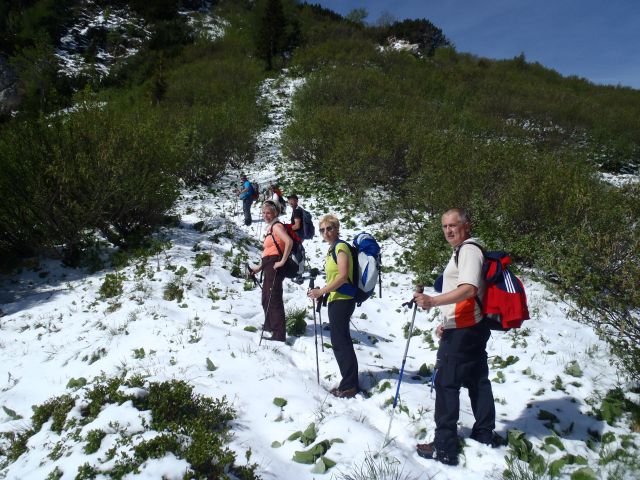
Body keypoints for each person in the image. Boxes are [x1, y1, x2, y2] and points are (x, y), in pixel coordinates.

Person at [412, 207, 495, 466]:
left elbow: (468, 289)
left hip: (464, 329)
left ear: (466, 226)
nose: (448, 230)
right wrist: (445, 322)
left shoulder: (469, 250)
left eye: (453, 225)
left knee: (446, 383)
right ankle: (483, 434)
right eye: (444, 226)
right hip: (468, 326)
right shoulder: (464, 251)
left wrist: (433, 301)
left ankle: (445, 446)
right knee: (477, 379)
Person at [308, 215, 359, 398]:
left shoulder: (341, 247)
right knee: (340, 340)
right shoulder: (332, 250)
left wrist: (321, 292)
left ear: (337, 228)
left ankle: (349, 385)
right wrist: (324, 293)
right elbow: (334, 278)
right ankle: (349, 381)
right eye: (322, 230)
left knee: (341, 341)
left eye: (329, 228)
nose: (326, 233)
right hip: (336, 298)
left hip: (343, 300)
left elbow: (343, 276)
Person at [248, 200, 292, 342]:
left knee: (273, 298)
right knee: (266, 297)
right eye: (263, 212)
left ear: (275, 213)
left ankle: (279, 334)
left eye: (268, 212)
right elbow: (268, 251)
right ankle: (269, 325)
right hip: (269, 264)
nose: (265, 215)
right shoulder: (270, 228)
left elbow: (289, 242)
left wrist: (283, 261)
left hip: (275, 264)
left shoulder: (277, 226)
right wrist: (259, 267)